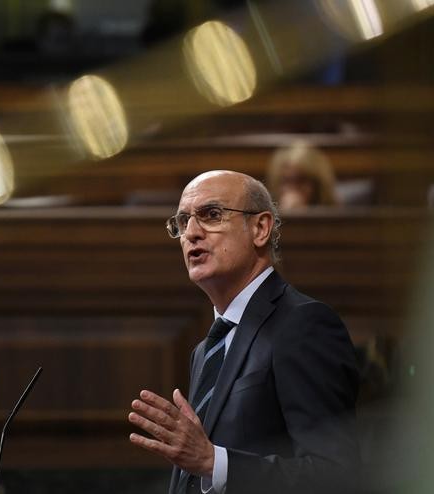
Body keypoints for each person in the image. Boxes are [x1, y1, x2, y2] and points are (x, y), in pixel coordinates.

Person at [128, 170, 360, 494]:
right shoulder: (205, 350)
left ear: (260, 228)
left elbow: (336, 474)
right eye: (182, 222)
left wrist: (215, 463)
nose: (191, 233)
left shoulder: (303, 325)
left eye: (211, 215)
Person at [266, 140, 338, 210]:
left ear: (318, 182)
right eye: (286, 180)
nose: (293, 189)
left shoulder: (338, 212)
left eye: (301, 180)